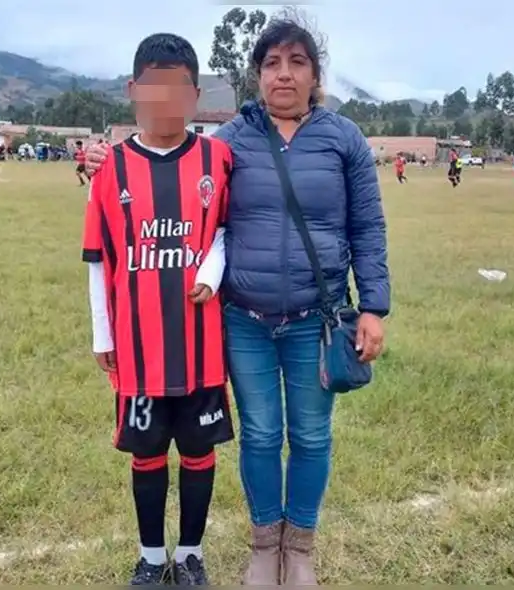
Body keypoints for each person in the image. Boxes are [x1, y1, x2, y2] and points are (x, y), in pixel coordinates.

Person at [87, 17, 389, 586]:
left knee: (311, 435)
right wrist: (111, 158)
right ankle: (261, 545)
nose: (284, 74)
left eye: (297, 62)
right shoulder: (232, 142)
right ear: (258, 75)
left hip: (313, 320)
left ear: (315, 74)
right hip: (244, 321)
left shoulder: (343, 138)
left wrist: (373, 306)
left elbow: (368, 227)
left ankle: (297, 550)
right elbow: (175, 159)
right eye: (272, 63)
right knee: (261, 435)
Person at [82, 32, 235, 586]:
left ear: (196, 95)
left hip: (200, 347)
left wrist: (211, 273)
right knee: (145, 456)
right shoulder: (109, 168)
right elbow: (98, 258)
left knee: (199, 453)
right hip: (138, 351)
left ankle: (190, 554)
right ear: (133, 91)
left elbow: (225, 231)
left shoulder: (220, 157)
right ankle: (151, 559)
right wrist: (103, 334)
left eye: (178, 90)